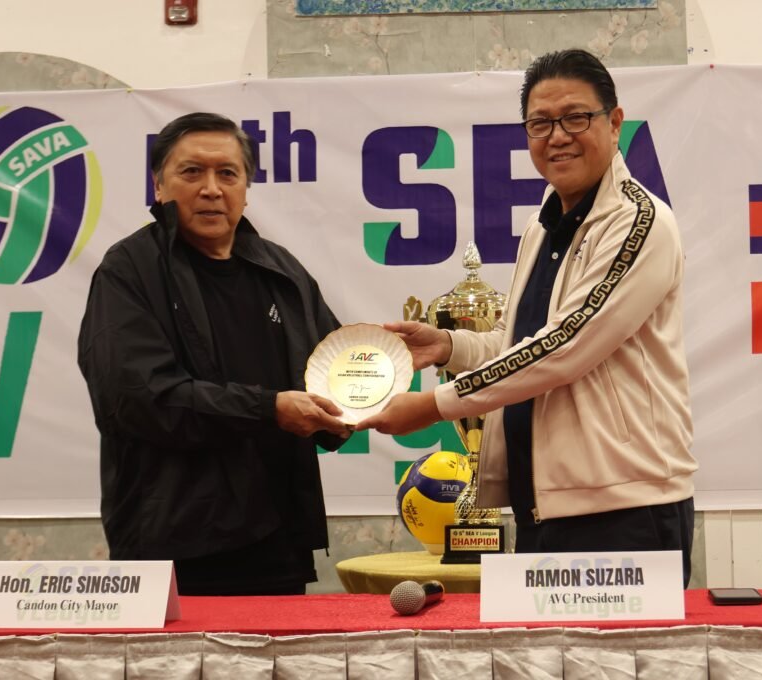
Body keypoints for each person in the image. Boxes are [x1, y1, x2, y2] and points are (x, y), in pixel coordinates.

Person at [355, 49, 698, 585]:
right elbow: (524, 342)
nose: (557, 135)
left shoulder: (640, 221)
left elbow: (565, 348)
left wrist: (436, 403)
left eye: (575, 118)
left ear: (614, 122)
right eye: (540, 123)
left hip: (626, 510)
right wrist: (449, 346)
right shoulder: (545, 223)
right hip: (542, 504)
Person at [78, 112, 349, 595]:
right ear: (159, 185)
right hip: (174, 550)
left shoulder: (281, 271)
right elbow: (139, 400)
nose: (211, 188)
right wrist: (270, 409)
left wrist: (372, 382)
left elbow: (334, 372)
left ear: (246, 188)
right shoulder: (129, 271)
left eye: (228, 173)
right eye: (191, 172)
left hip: (279, 544)